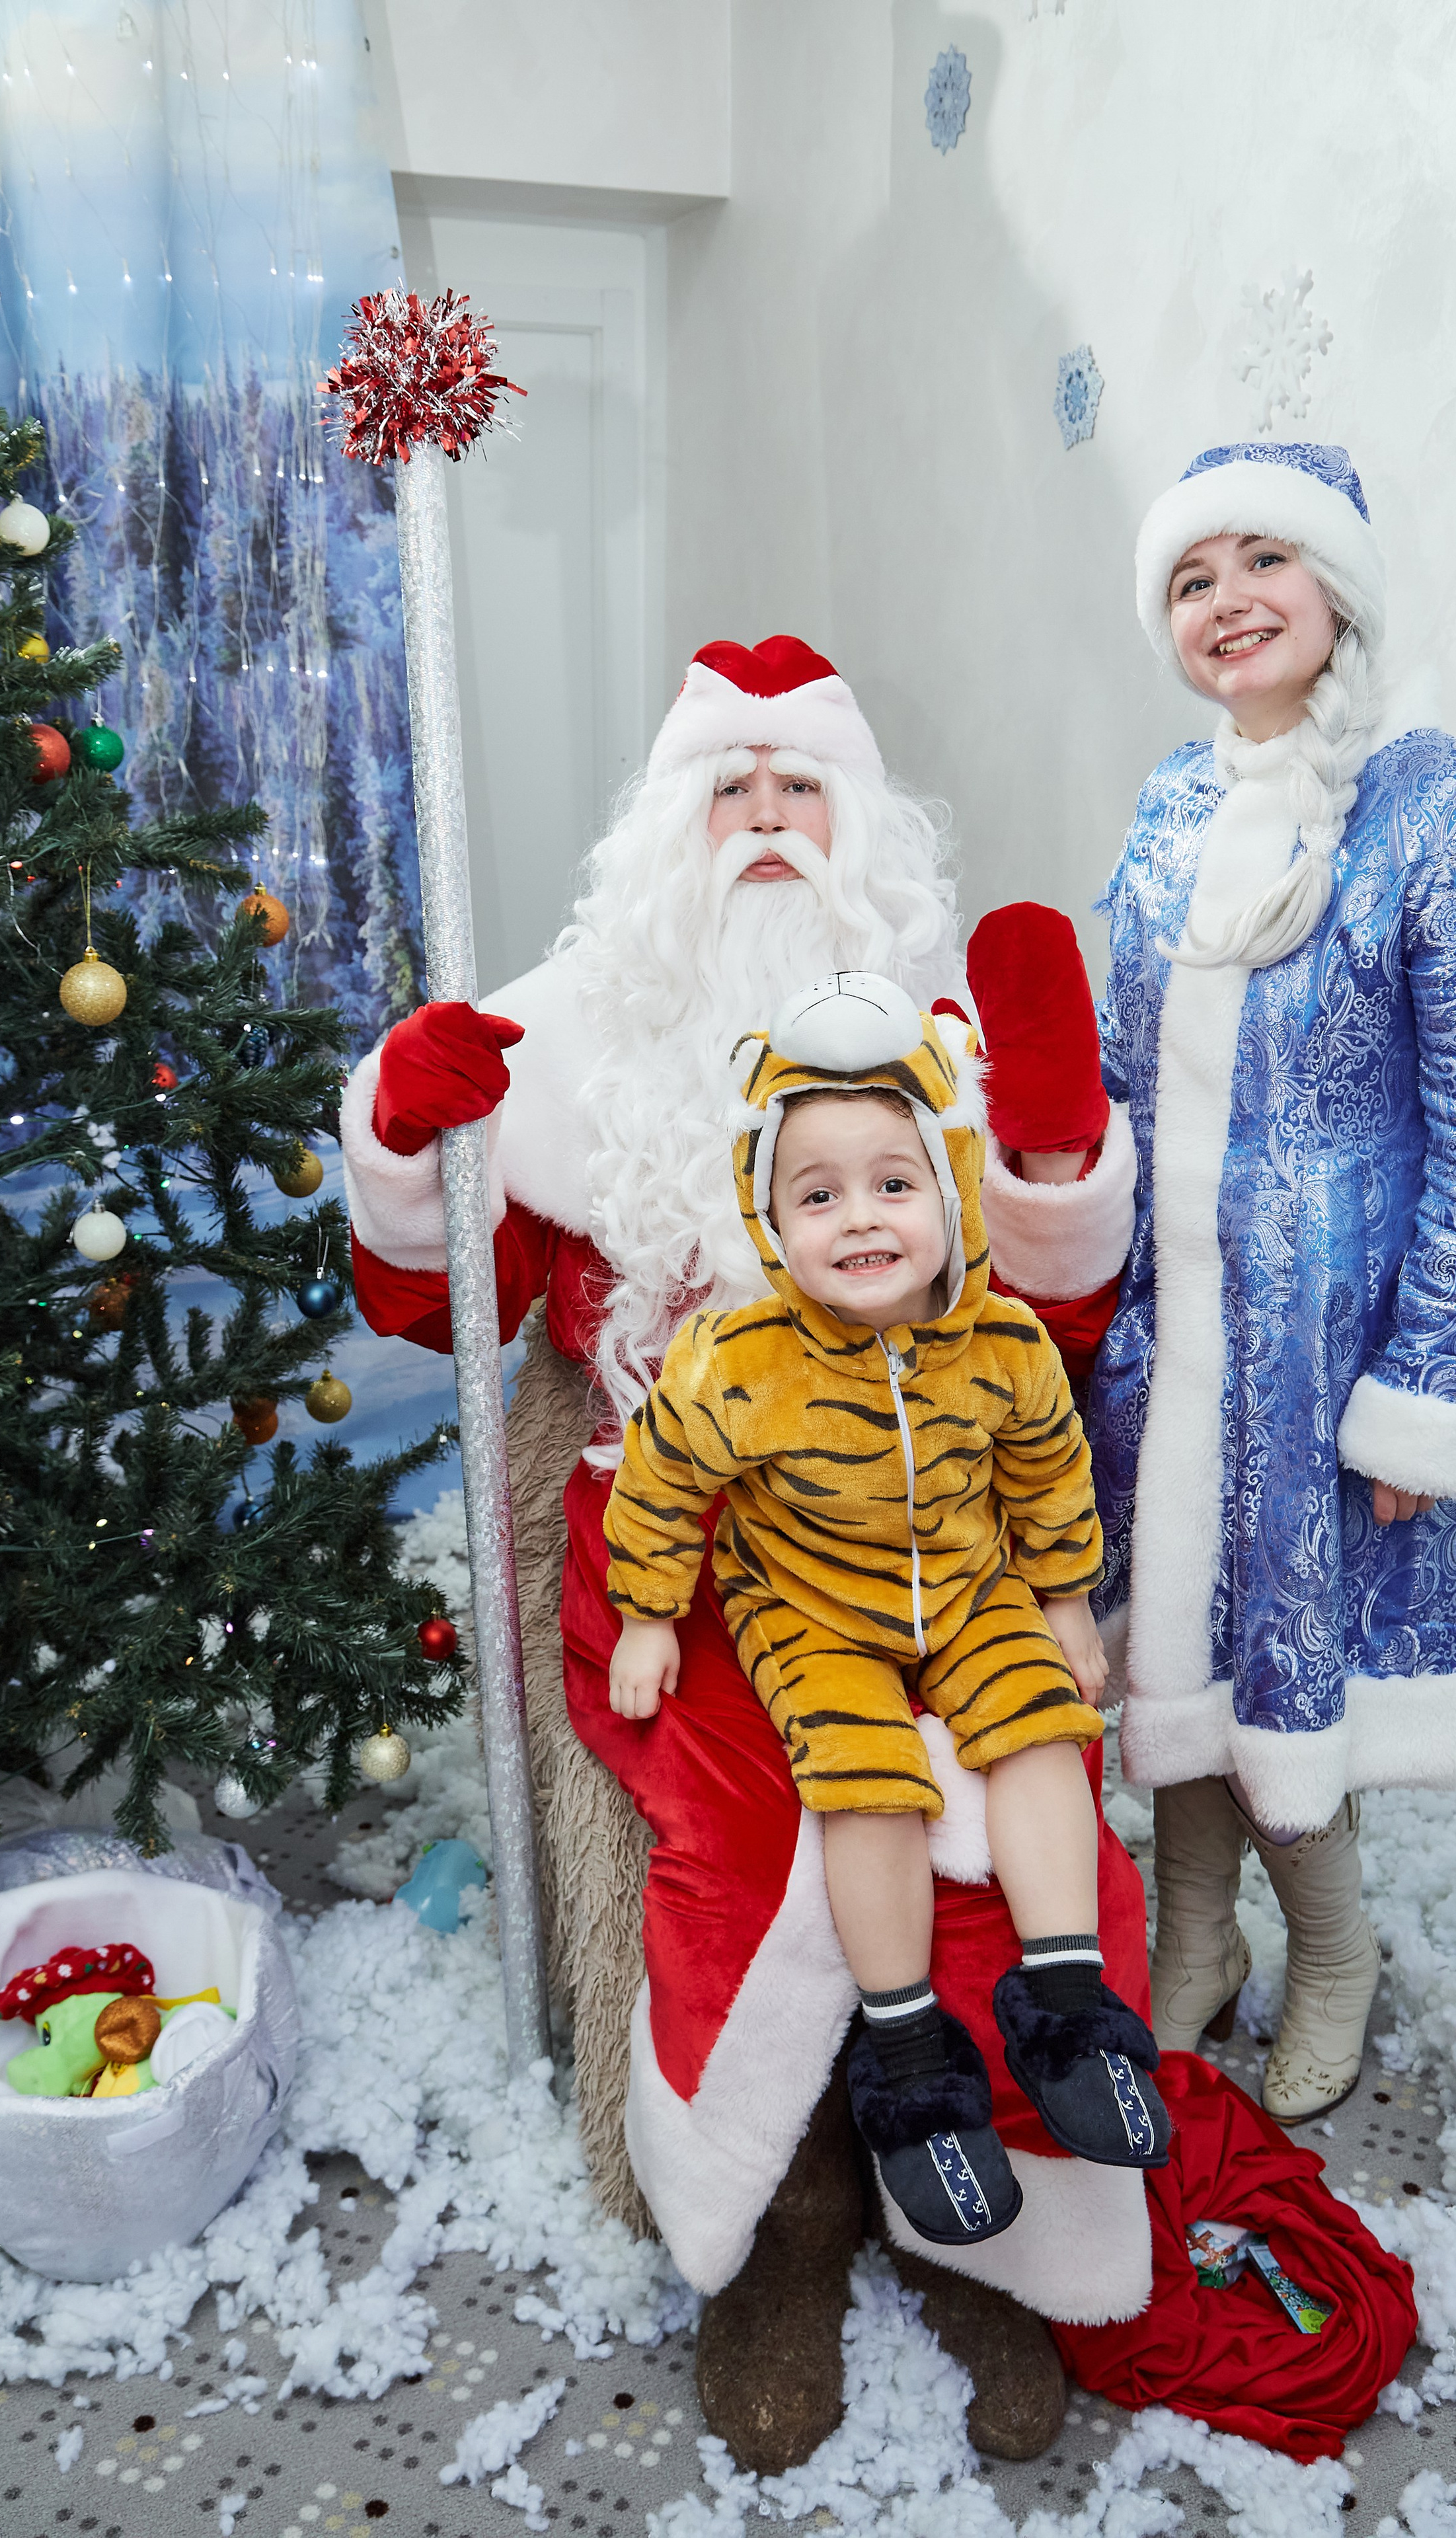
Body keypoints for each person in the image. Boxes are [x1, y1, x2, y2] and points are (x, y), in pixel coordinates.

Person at [340, 638, 1144, 2469]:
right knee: (745, 1830)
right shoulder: (579, 1066)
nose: (768, 823)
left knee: (1027, 1808)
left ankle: (995, 2234)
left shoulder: (935, 1050)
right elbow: (425, 1305)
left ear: (862, 830)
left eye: (803, 790)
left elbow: (1057, 1342)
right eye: (732, 789)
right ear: (667, 834)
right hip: (676, 1544)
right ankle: (778, 2236)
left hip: (941, 1526)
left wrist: (1045, 1151)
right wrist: (405, 1139)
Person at [1087, 442, 1456, 2123]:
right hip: (1174, 1335)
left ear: (1335, 588)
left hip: (1327, 1347)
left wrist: (1423, 1394)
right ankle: (1193, 1936)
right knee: (1173, 1648)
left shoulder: (1445, 810)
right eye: (1189, 580)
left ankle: (1337, 1953)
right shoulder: (1168, 806)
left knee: (1294, 1670)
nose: (1225, 605)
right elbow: (1117, 1072)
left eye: (1258, 565)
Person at [604, 976, 1170, 2249]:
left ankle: (1068, 2004)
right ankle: (911, 2049)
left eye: (893, 1184)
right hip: (811, 1608)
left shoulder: (1005, 1348)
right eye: (819, 1195)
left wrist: (1068, 1606)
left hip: (966, 1587)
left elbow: (1047, 1474)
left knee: (1036, 1725)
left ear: (954, 1193)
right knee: (865, 1777)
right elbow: (660, 1476)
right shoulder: (741, 1362)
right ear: (771, 1217)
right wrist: (650, 1613)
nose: (859, 1219)